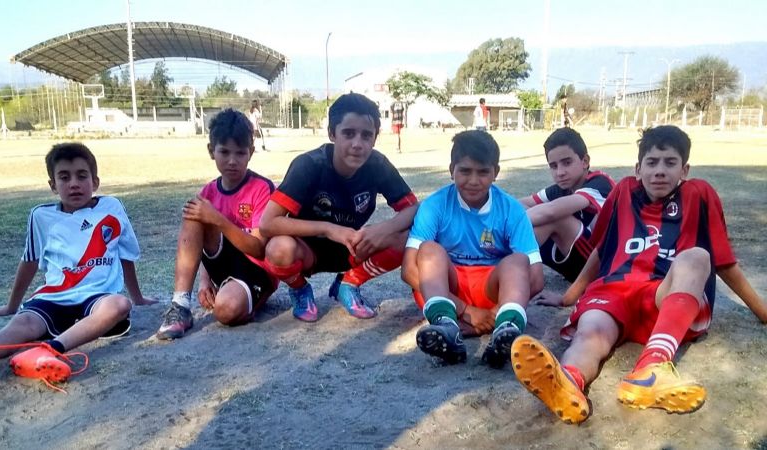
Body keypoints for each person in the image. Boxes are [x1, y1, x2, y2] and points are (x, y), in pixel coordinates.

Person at [511, 125, 767, 424]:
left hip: (662, 297)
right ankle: (568, 383)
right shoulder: (623, 192)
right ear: (638, 168)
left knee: (697, 257)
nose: (660, 171)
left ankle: (651, 369)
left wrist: (762, 311)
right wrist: (570, 296)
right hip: (614, 291)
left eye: (670, 163)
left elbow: (723, 262)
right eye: (652, 162)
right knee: (590, 334)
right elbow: (600, 251)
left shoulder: (699, 194)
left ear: (684, 169)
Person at [0, 143, 155, 392]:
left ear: (95, 181)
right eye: (64, 177)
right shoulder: (41, 216)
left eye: (82, 175)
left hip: (96, 298)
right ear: (53, 185)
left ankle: (49, 351)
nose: (74, 184)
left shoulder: (112, 208)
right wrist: (11, 306)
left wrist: (137, 297)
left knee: (119, 305)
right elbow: (30, 261)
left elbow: (126, 254)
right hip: (53, 298)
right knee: (23, 325)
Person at [259, 93, 418, 322]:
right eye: (348, 133)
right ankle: (300, 289)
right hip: (306, 250)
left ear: (375, 139)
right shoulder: (309, 165)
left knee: (407, 237)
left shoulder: (377, 164)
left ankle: (349, 283)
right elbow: (268, 223)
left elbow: (413, 209)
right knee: (277, 249)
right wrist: (328, 229)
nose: (357, 144)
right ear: (332, 133)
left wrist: (383, 229)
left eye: (366, 135)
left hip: (353, 247)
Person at [401, 130, 544, 367]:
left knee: (518, 261)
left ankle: (506, 328)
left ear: (495, 173)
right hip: (446, 291)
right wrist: (466, 310)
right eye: (465, 171)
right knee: (428, 250)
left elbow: (536, 278)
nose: (474, 181)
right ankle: (446, 326)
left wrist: (491, 316)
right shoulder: (435, 205)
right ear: (451, 170)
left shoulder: (511, 209)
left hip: (492, 292)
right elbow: (408, 270)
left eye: (483, 172)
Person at [157, 109, 278, 339]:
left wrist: (218, 219)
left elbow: (259, 249)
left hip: (255, 270)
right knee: (194, 212)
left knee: (226, 310)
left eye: (240, 153)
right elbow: (201, 243)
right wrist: (204, 281)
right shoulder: (209, 192)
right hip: (223, 267)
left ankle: (245, 298)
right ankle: (180, 305)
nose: (232, 161)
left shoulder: (262, 188)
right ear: (211, 151)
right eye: (224, 152)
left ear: (251, 153)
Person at [519, 128, 615, 282]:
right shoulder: (562, 188)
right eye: (554, 166)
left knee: (556, 218)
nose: (560, 172)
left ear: (585, 161)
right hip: (580, 264)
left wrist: (505, 225)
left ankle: (500, 268)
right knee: (535, 215)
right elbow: (520, 204)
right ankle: (497, 267)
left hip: (602, 269)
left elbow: (550, 212)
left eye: (567, 163)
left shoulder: (600, 183)